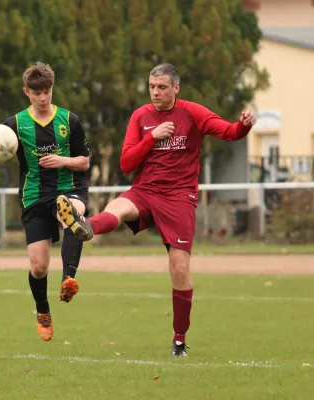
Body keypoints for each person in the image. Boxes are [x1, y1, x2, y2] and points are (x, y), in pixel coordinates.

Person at [56, 63, 256, 357]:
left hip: (178, 198)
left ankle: (179, 339)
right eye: (151, 87)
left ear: (176, 88)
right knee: (119, 206)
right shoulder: (141, 117)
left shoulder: (192, 113)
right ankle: (87, 227)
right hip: (146, 191)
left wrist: (245, 124)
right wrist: (152, 137)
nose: (155, 92)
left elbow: (230, 132)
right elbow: (126, 164)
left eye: (162, 87)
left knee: (179, 269)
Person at [0, 62, 90, 342]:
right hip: (33, 196)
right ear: (27, 92)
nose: (43, 98)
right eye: (37, 93)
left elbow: (84, 162)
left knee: (67, 210)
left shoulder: (70, 121)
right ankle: (43, 310)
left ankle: (68, 278)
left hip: (68, 188)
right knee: (38, 267)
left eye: (47, 92)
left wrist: (63, 160)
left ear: (52, 88)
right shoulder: (15, 126)